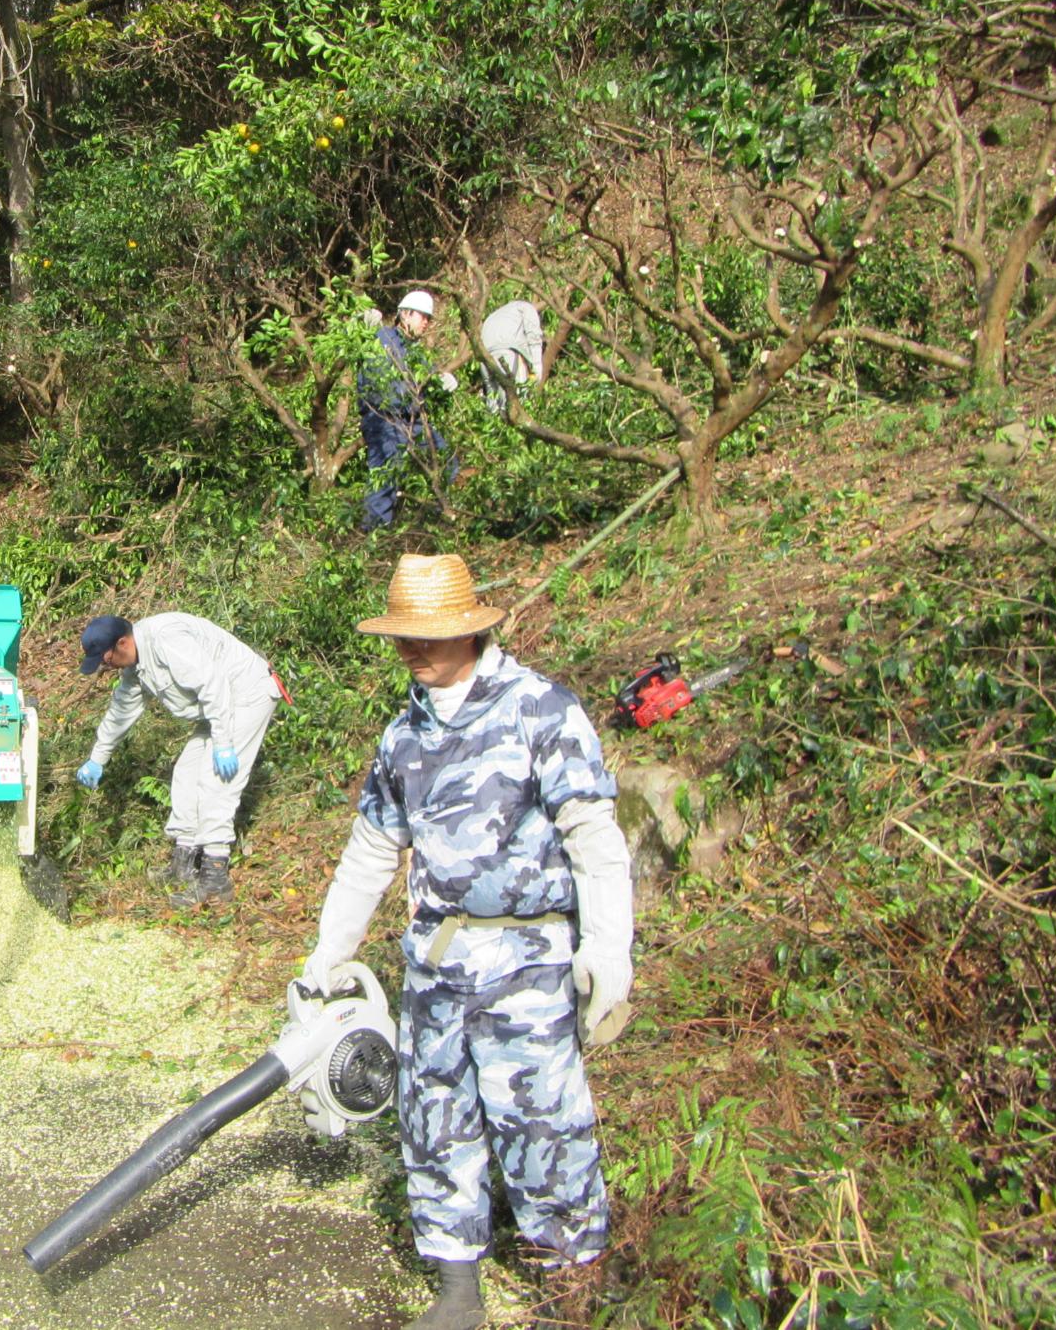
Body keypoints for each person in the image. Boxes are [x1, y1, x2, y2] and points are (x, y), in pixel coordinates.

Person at [294, 553, 633, 1330]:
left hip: (527, 958)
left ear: (472, 629)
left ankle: (570, 1282)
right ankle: (457, 1289)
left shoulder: (540, 710)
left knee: (544, 1117)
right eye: (404, 636)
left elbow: (594, 837)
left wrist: (609, 947)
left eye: (430, 635)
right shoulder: (401, 738)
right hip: (437, 958)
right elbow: (372, 850)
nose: (415, 650)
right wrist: (329, 952)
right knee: (434, 1115)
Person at [74, 612, 283, 908]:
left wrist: (223, 744)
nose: (105, 666)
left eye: (106, 658)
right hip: (218, 706)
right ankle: (184, 862)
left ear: (122, 642)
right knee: (186, 773)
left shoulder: (166, 640)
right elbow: (121, 712)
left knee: (217, 781)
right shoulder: (136, 667)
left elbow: (212, 684)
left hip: (246, 696)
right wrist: (97, 758)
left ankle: (214, 878)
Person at [357, 290, 458, 532]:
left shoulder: (418, 354)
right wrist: (362, 323)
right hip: (383, 420)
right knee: (385, 479)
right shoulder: (381, 337)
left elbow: (429, 384)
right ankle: (373, 537)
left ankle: (439, 521)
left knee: (446, 461)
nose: (426, 322)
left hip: (413, 422)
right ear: (405, 315)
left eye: (428, 318)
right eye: (422, 316)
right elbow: (354, 337)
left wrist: (442, 383)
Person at [476, 299, 543, 414]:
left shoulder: (495, 315)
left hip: (485, 358)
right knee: (518, 399)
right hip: (507, 353)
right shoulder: (527, 308)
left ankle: (495, 428)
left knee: (493, 402)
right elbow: (534, 338)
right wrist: (537, 368)